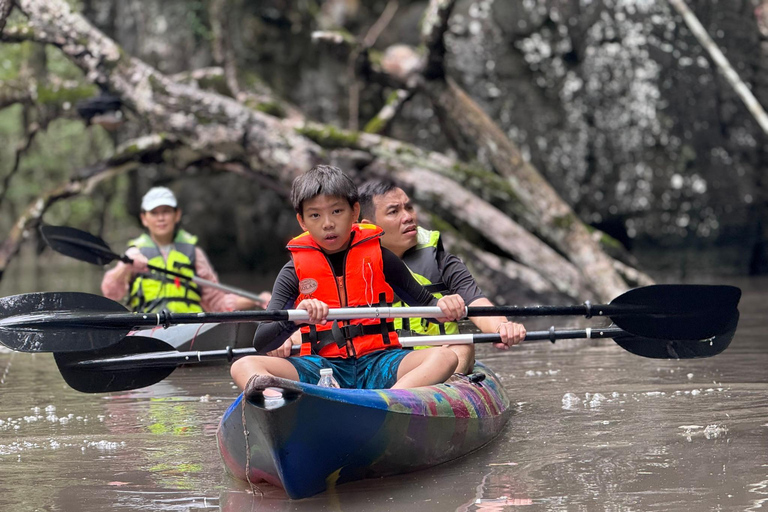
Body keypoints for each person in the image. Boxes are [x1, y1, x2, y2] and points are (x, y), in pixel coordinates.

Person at [229, 165, 466, 391]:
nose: (328, 223)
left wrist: (445, 305)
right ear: (302, 221)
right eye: (315, 215)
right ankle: (278, 403)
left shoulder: (381, 257)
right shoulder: (293, 271)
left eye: (336, 211)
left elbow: (427, 306)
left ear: (354, 212)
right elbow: (263, 342)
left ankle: (389, 402)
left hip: (380, 362)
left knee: (444, 356)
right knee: (243, 365)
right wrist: (298, 317)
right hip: (323, 368)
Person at [358, 179, 526, 374]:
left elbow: (477, 303)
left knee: (463, 346)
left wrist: (502, 328)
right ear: (369, 226)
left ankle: (445, 390)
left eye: (409, 207)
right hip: (384, 364)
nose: (408, 217)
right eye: (394, 212)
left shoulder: (442, 262)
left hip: (442, 361)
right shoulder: (351, 267)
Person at [101, 186, 270, 313]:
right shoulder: (134, 253)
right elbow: (111, 293)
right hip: (148, 329)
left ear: (177, 215)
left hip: (188, 328)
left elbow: (217, 302)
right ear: (144, 218)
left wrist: (255, 300)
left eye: (166, 211)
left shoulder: (195, 254)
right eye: (154, 213)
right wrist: (125, 265)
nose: (161, 218)